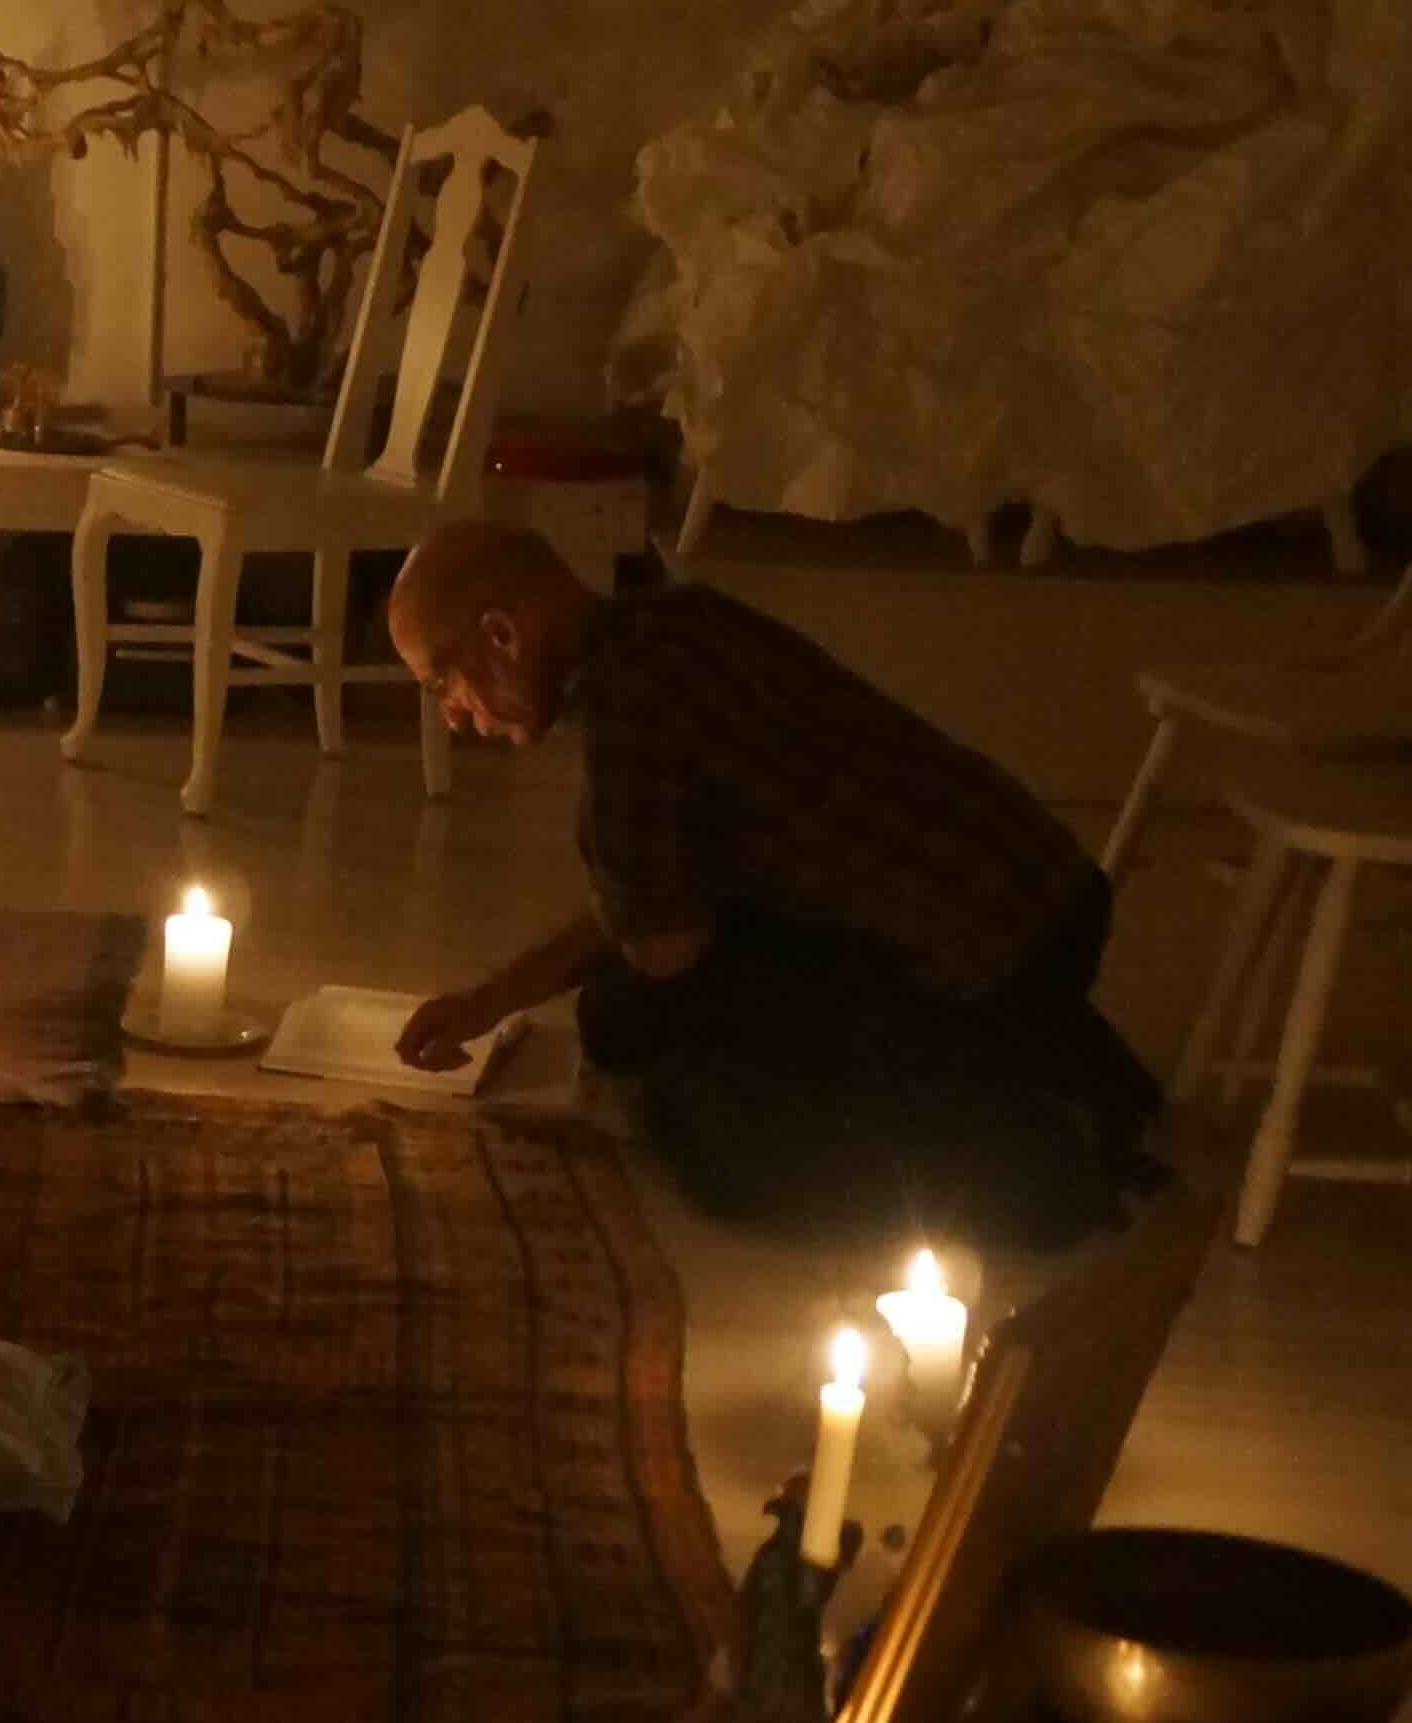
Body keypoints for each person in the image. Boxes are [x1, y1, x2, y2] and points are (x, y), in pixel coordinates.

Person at [384, 518, 1157, 1242]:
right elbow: (647, 906)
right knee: (622, 1014)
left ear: (501, 635)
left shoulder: (628, 709)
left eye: (441, 684)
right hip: (1055, 899)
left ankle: (1046, 1162)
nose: (454, 717)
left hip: (982, 958)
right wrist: (490, 1002)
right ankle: (1053, 1056)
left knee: (709, 1134)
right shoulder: (680, 619)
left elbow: (663, 950)